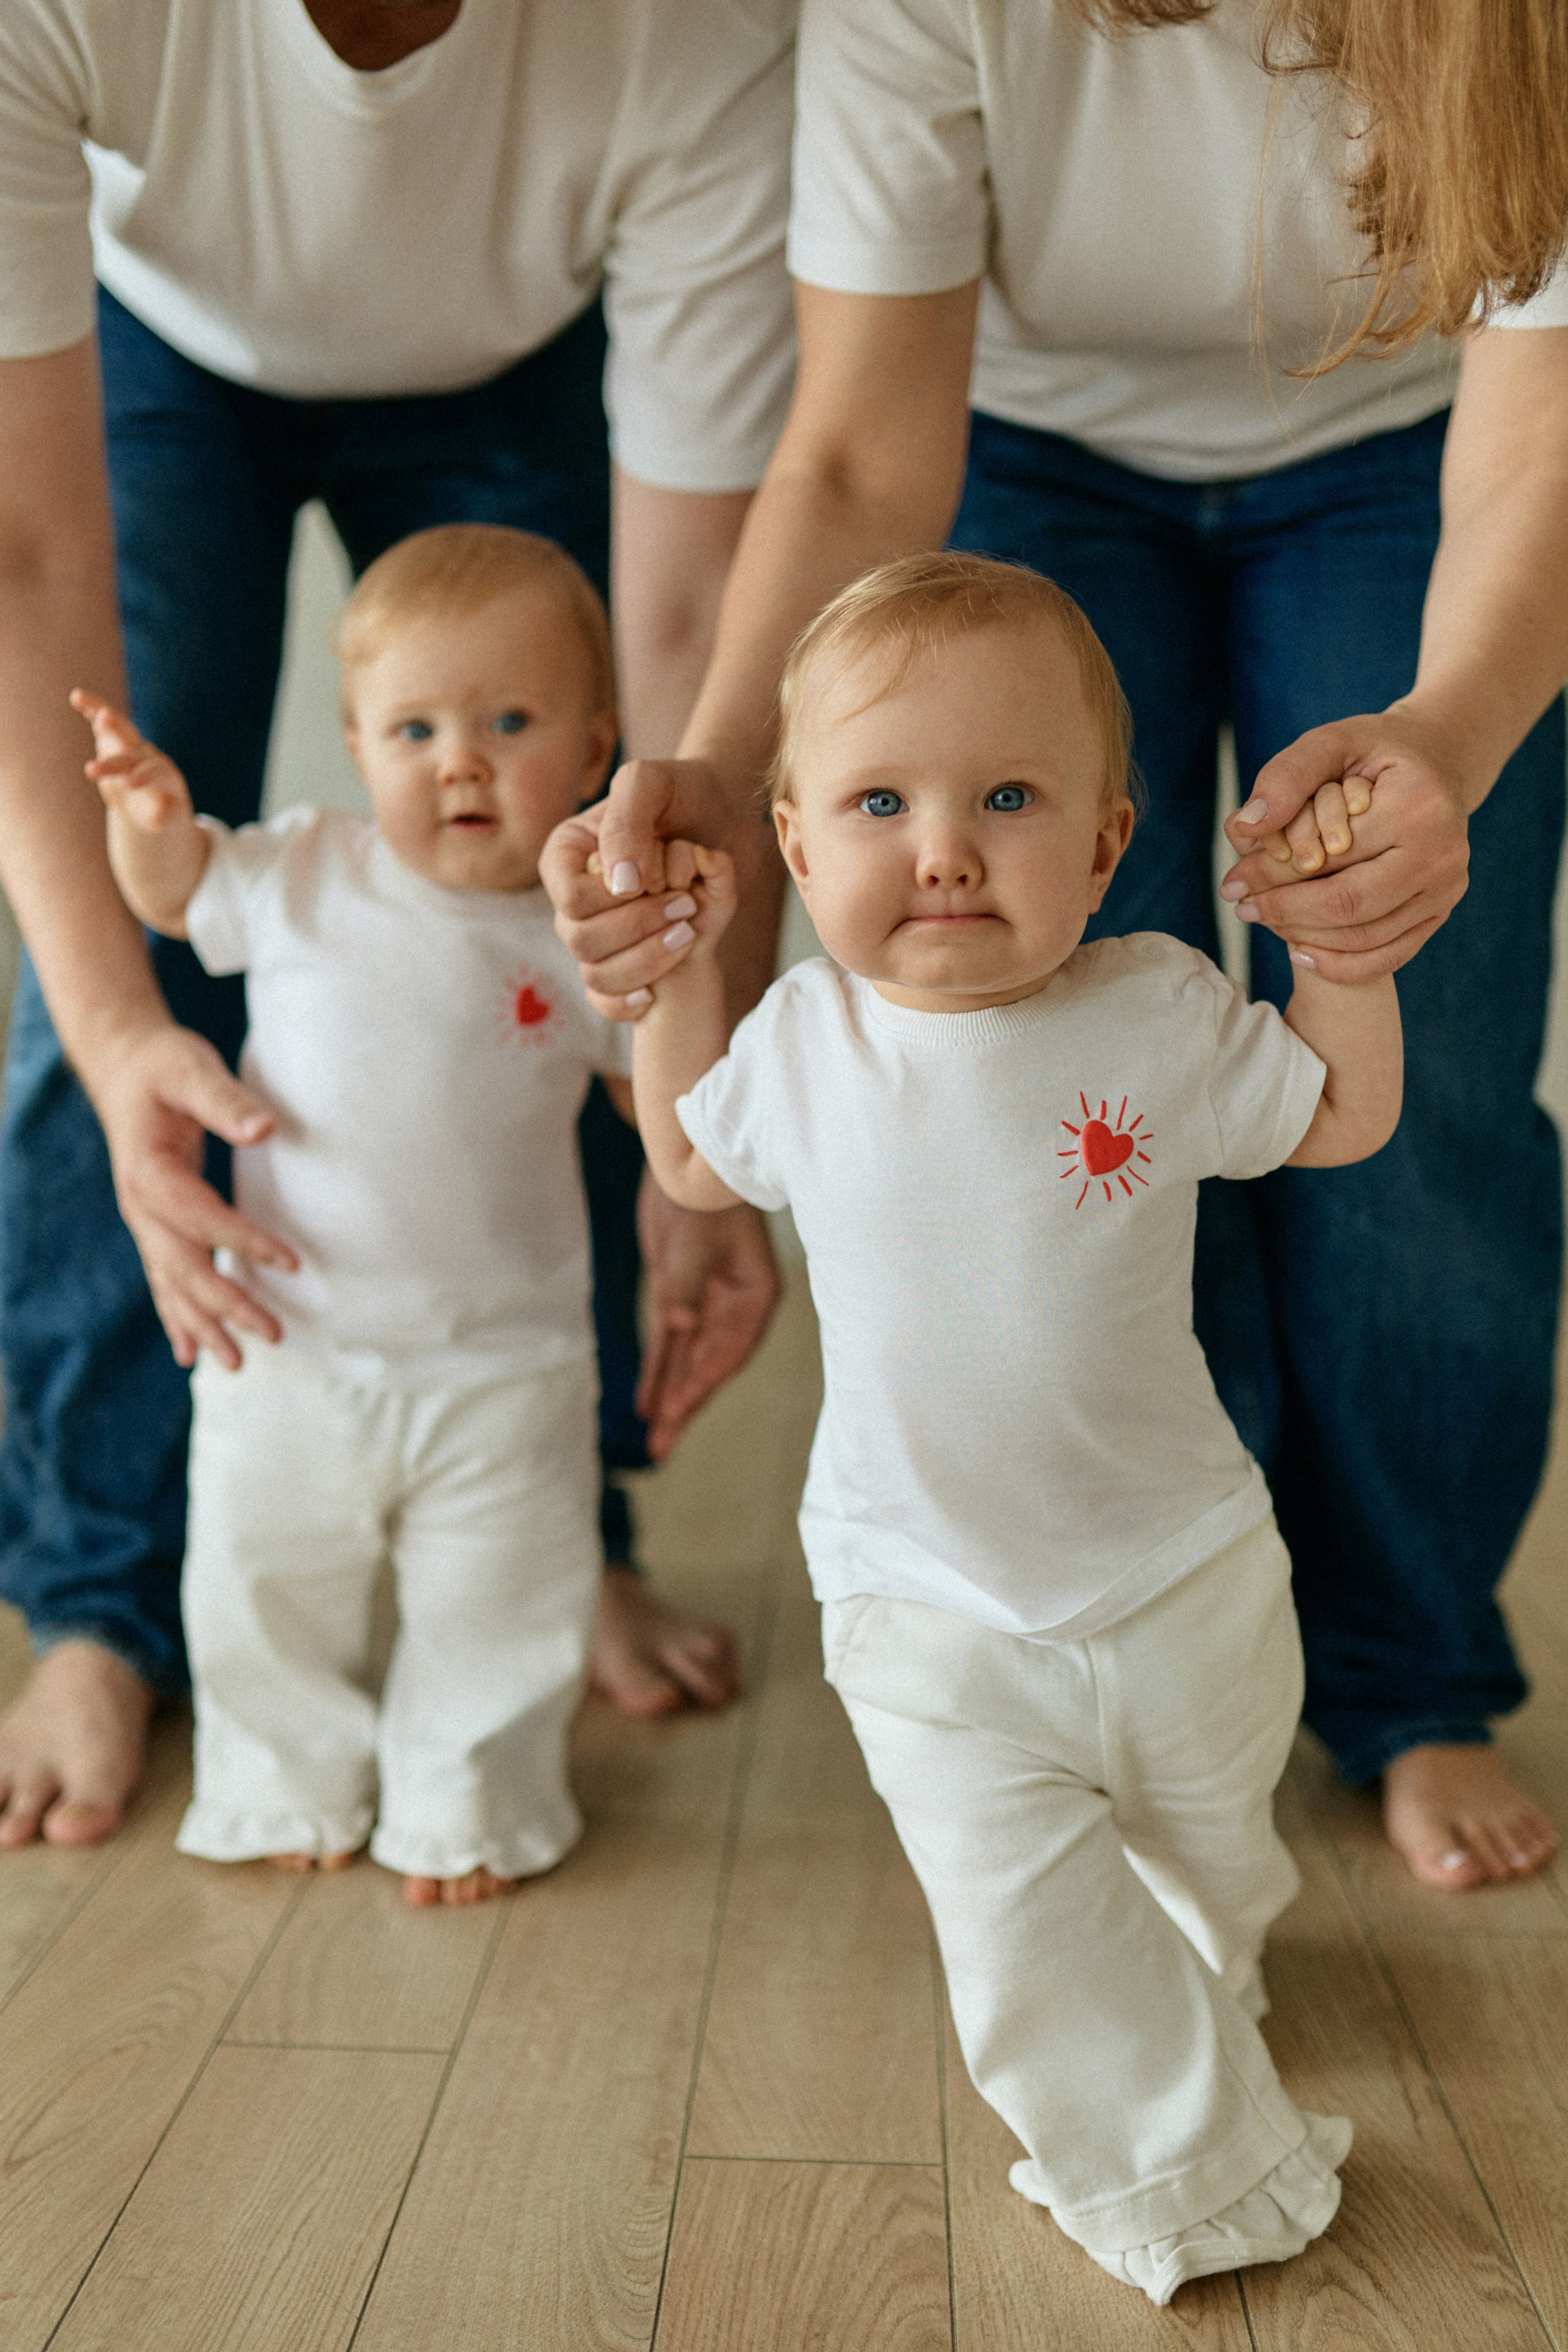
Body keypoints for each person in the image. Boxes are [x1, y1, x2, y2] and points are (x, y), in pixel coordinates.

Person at [547, 0, 1568, 1890]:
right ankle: (1164, 1683)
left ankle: (1418, 1682)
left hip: (1407, 445)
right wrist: (711, 764)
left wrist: (1447, 736)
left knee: (1430, 1093)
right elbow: (855, 455)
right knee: (1065, 1081)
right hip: (1027, 459)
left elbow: (1543, 447)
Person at [0, 0, 798, 1850]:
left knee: (575, 955)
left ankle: (553, 1534)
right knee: (99, 997)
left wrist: (709, 1143)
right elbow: (33, 577)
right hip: (157, 343)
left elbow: (680, 666)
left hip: (516, 362)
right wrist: (125, 1031)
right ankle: (97, 1607)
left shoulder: (691, 39)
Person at [620, 553, 1402, 2302]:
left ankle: (1208, 1952)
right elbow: (686, 1157)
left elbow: (1338, 1114)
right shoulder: (804, 1041)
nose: (947, 847)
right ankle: (1177, 2175)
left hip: (1183, 1566)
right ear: (800, 851)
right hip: (923, 1599)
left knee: (1215, 1854)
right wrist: (672, 966)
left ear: (1112, 845)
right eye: (882, 802)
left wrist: (1335, 950)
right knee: (1019, 1916)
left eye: (1009, 798)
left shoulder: (1155, 1006)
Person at [82, 522, 649, 1906]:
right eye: (414, 727)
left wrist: (672, 986)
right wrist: (147, 824)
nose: (460, 758)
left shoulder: (585, 936)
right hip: (293, 1341)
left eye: (508, 722)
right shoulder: (303, 870)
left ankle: (469, 1808)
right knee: (264, 1583)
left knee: (500, 1603)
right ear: (355, 744)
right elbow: (172, 896)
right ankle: (280, 1782)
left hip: (504, 1359)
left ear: (592, 750)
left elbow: (662, 1108)